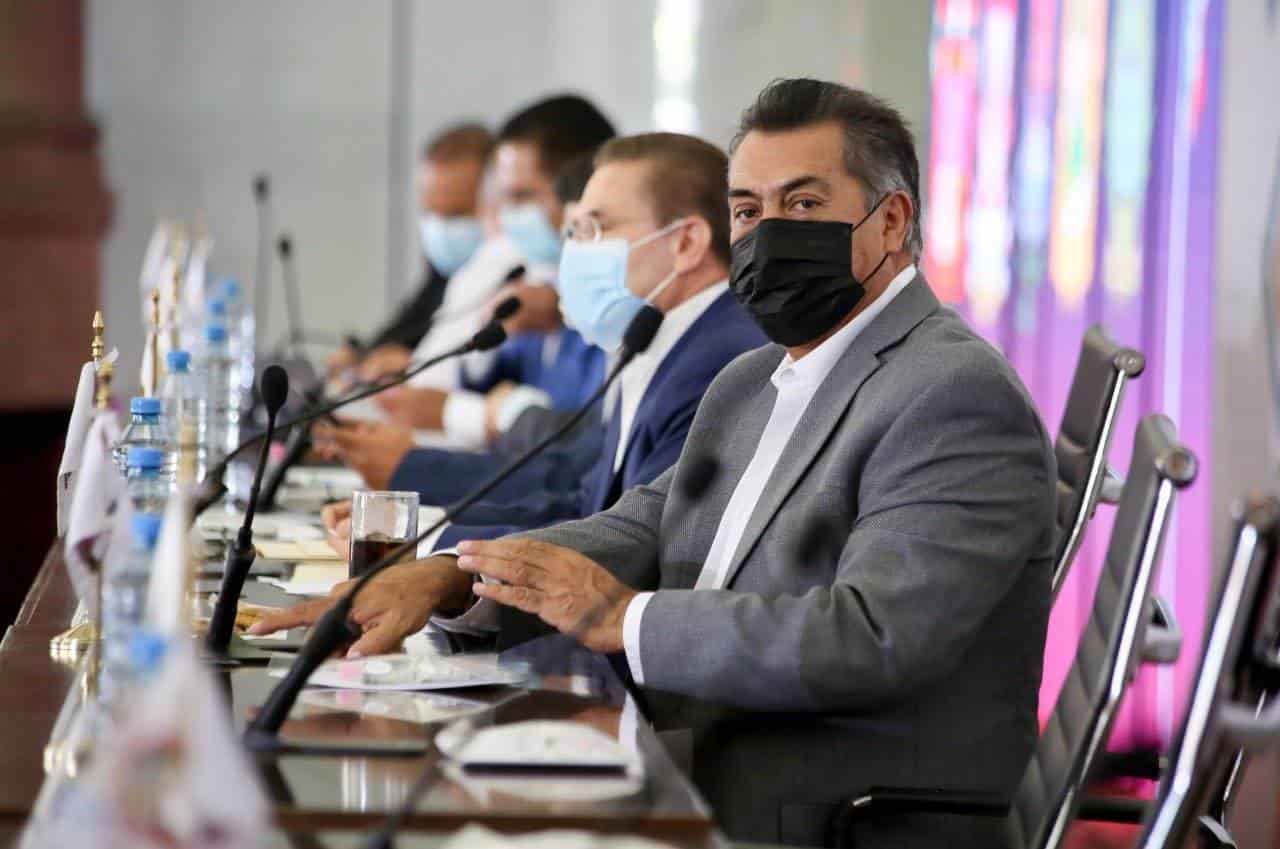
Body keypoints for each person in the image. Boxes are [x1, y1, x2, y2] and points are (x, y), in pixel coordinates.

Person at [253, 80, 1056, 848]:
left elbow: (871, 637)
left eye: (804, 204)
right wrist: (453, 576)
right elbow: (643, 522)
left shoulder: (952, 392)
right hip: (692, 753)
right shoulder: (756, 377)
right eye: (750, 209)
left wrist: (623, 616)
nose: (770, 232)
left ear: (893, 220)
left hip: (826, 811)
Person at [360, 94, 617, 442]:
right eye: (501, 197)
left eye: (521, 197)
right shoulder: (533, 280)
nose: (505, 215)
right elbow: (482, 378)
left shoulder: (614, 297)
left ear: (580, 190)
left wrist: (470, 413)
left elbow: (585, 447)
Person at [325, 123, 493, 379]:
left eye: (455, 214)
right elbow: (410, 326)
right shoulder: (442, 272)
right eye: (431, 212)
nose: (441, 229)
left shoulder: (518, 281)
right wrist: (364, 357)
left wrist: (414, 364)